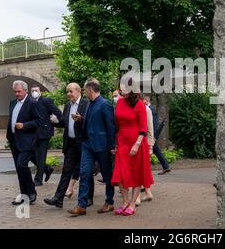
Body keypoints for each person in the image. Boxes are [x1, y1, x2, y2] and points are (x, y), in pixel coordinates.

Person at [68, 78, 116, 216]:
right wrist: (80, 119)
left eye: (84, 90)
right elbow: (91, 121)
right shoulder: (89, 104)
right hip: (87, 145)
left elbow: (111, 127)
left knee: (107, 176)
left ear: (90, 90)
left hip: (102, 146)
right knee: (84, 173)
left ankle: (109, 202)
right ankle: (81, 205)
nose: (83, 92)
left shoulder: (105, 104)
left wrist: (112, 146)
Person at [44, 83, 94, 208]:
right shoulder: (67, 105)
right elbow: (65, 123)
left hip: (83, 142)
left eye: (71, 91)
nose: (68, 94)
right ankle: (58, 198)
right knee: (66, 170)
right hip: (70, 143)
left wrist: (81, 119)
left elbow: (91, 122)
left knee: (85, 171)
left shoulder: (86, 103)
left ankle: (88, 198)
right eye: (67, 91)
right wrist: (56, 122)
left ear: (78, 92)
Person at [111, 78, 154, 216]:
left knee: (136, 173)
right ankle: (124, 202)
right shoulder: (119, 102)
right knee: (120, 173)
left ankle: (132, 204)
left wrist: (137, 144)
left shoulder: (140, 105)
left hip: (137, 142)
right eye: (121, 87)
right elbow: (116, 124)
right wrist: (116, 143)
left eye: (124, 88)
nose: (122, 90)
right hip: (122, 141)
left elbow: (143, 127)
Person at [7, 80, 41, 205]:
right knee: (19, 168)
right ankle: (24, 196)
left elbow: (38, 122)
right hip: (14, 140)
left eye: (19, 91)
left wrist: (24, 125)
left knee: (22, 165)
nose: (17, 94)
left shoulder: (32, 103)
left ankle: (32, 192)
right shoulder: (12, 102)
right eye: (15, 91)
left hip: (27, 141)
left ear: (26, 91)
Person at [30, 84, 62, 186]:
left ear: (40, 92)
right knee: (30, 154)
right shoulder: (30, 102)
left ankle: (38, 179)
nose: (34, 92)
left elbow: (58, 112)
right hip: (33, 132)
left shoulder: (46, 100)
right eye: (32, 91)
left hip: (44, 132)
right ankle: (47, 169)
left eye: (36, 90)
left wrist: (54, 122)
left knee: (41, 156)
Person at [143, 95, 171, 175]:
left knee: (154, 151)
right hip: (152, 135)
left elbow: (154, 124)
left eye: (143, 100)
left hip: (152, 136)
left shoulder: (151, 110)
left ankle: (164, 167)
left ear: (146, 100)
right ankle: (166, 167)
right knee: (156, 151)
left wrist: (154, 136)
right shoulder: (150, 109)